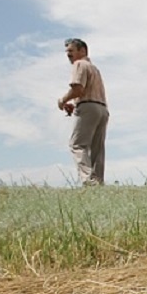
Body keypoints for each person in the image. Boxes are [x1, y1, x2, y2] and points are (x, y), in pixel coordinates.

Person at [57, 38, 110, 186]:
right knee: (97, 148)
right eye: (67, 51)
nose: (68, 54)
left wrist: (63, 100)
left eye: (71, 51)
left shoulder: (79, 64)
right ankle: (98, 181)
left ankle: (88, 180)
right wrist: (76, 102)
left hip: (88, 107)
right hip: (102, 109)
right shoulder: (94, 68)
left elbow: (78, 88)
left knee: (77, 145)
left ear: (82, 51)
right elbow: (86, 92)